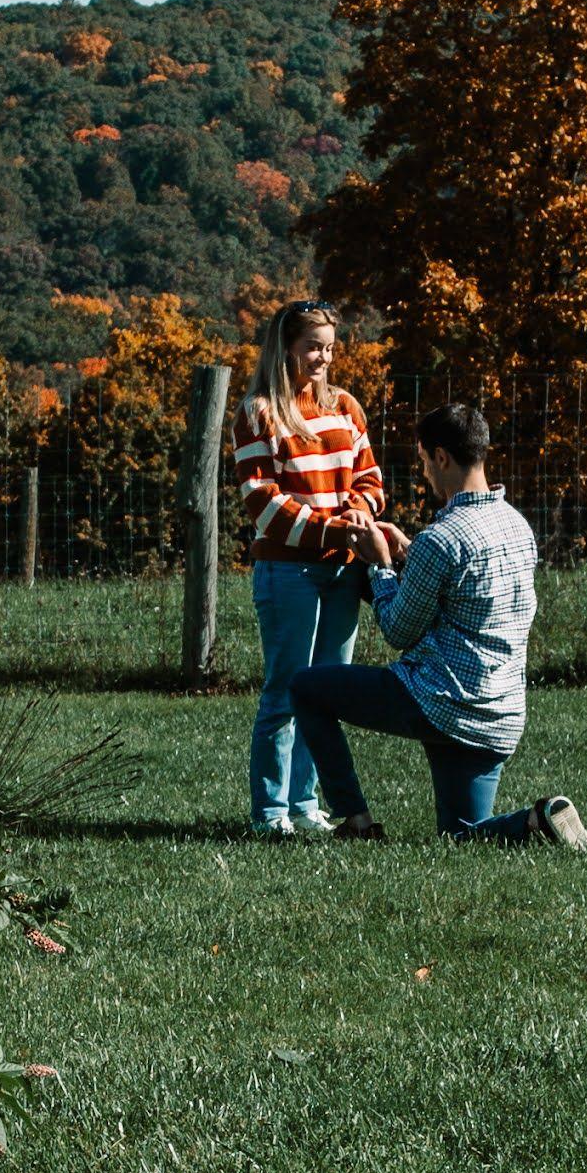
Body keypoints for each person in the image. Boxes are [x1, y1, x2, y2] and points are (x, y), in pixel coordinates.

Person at [288, 399, 587, 849]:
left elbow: (397, 630)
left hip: (440, 701)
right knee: (461, 836)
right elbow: (464, 583)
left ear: (442, 457)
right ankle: (537, 820)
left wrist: (380, 564)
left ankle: (354, 819)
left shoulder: (442, 538)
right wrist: (409, 549)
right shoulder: (516, 526)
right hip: (499, 716)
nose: (425, 473)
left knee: (307, 689)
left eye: (424, 461)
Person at [228, 300, 394, 839]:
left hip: (343, 570)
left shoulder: (346, 407)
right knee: (285, 689)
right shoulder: (258, 413)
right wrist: (330, 529)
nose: (322, 357)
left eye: (328, 347)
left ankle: (306, 803)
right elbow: (263, 502)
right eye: (312, 347)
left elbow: (369, 478)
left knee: (324, 690)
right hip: (289, 571)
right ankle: (270, 812)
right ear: (285, 348)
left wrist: (360, 514)